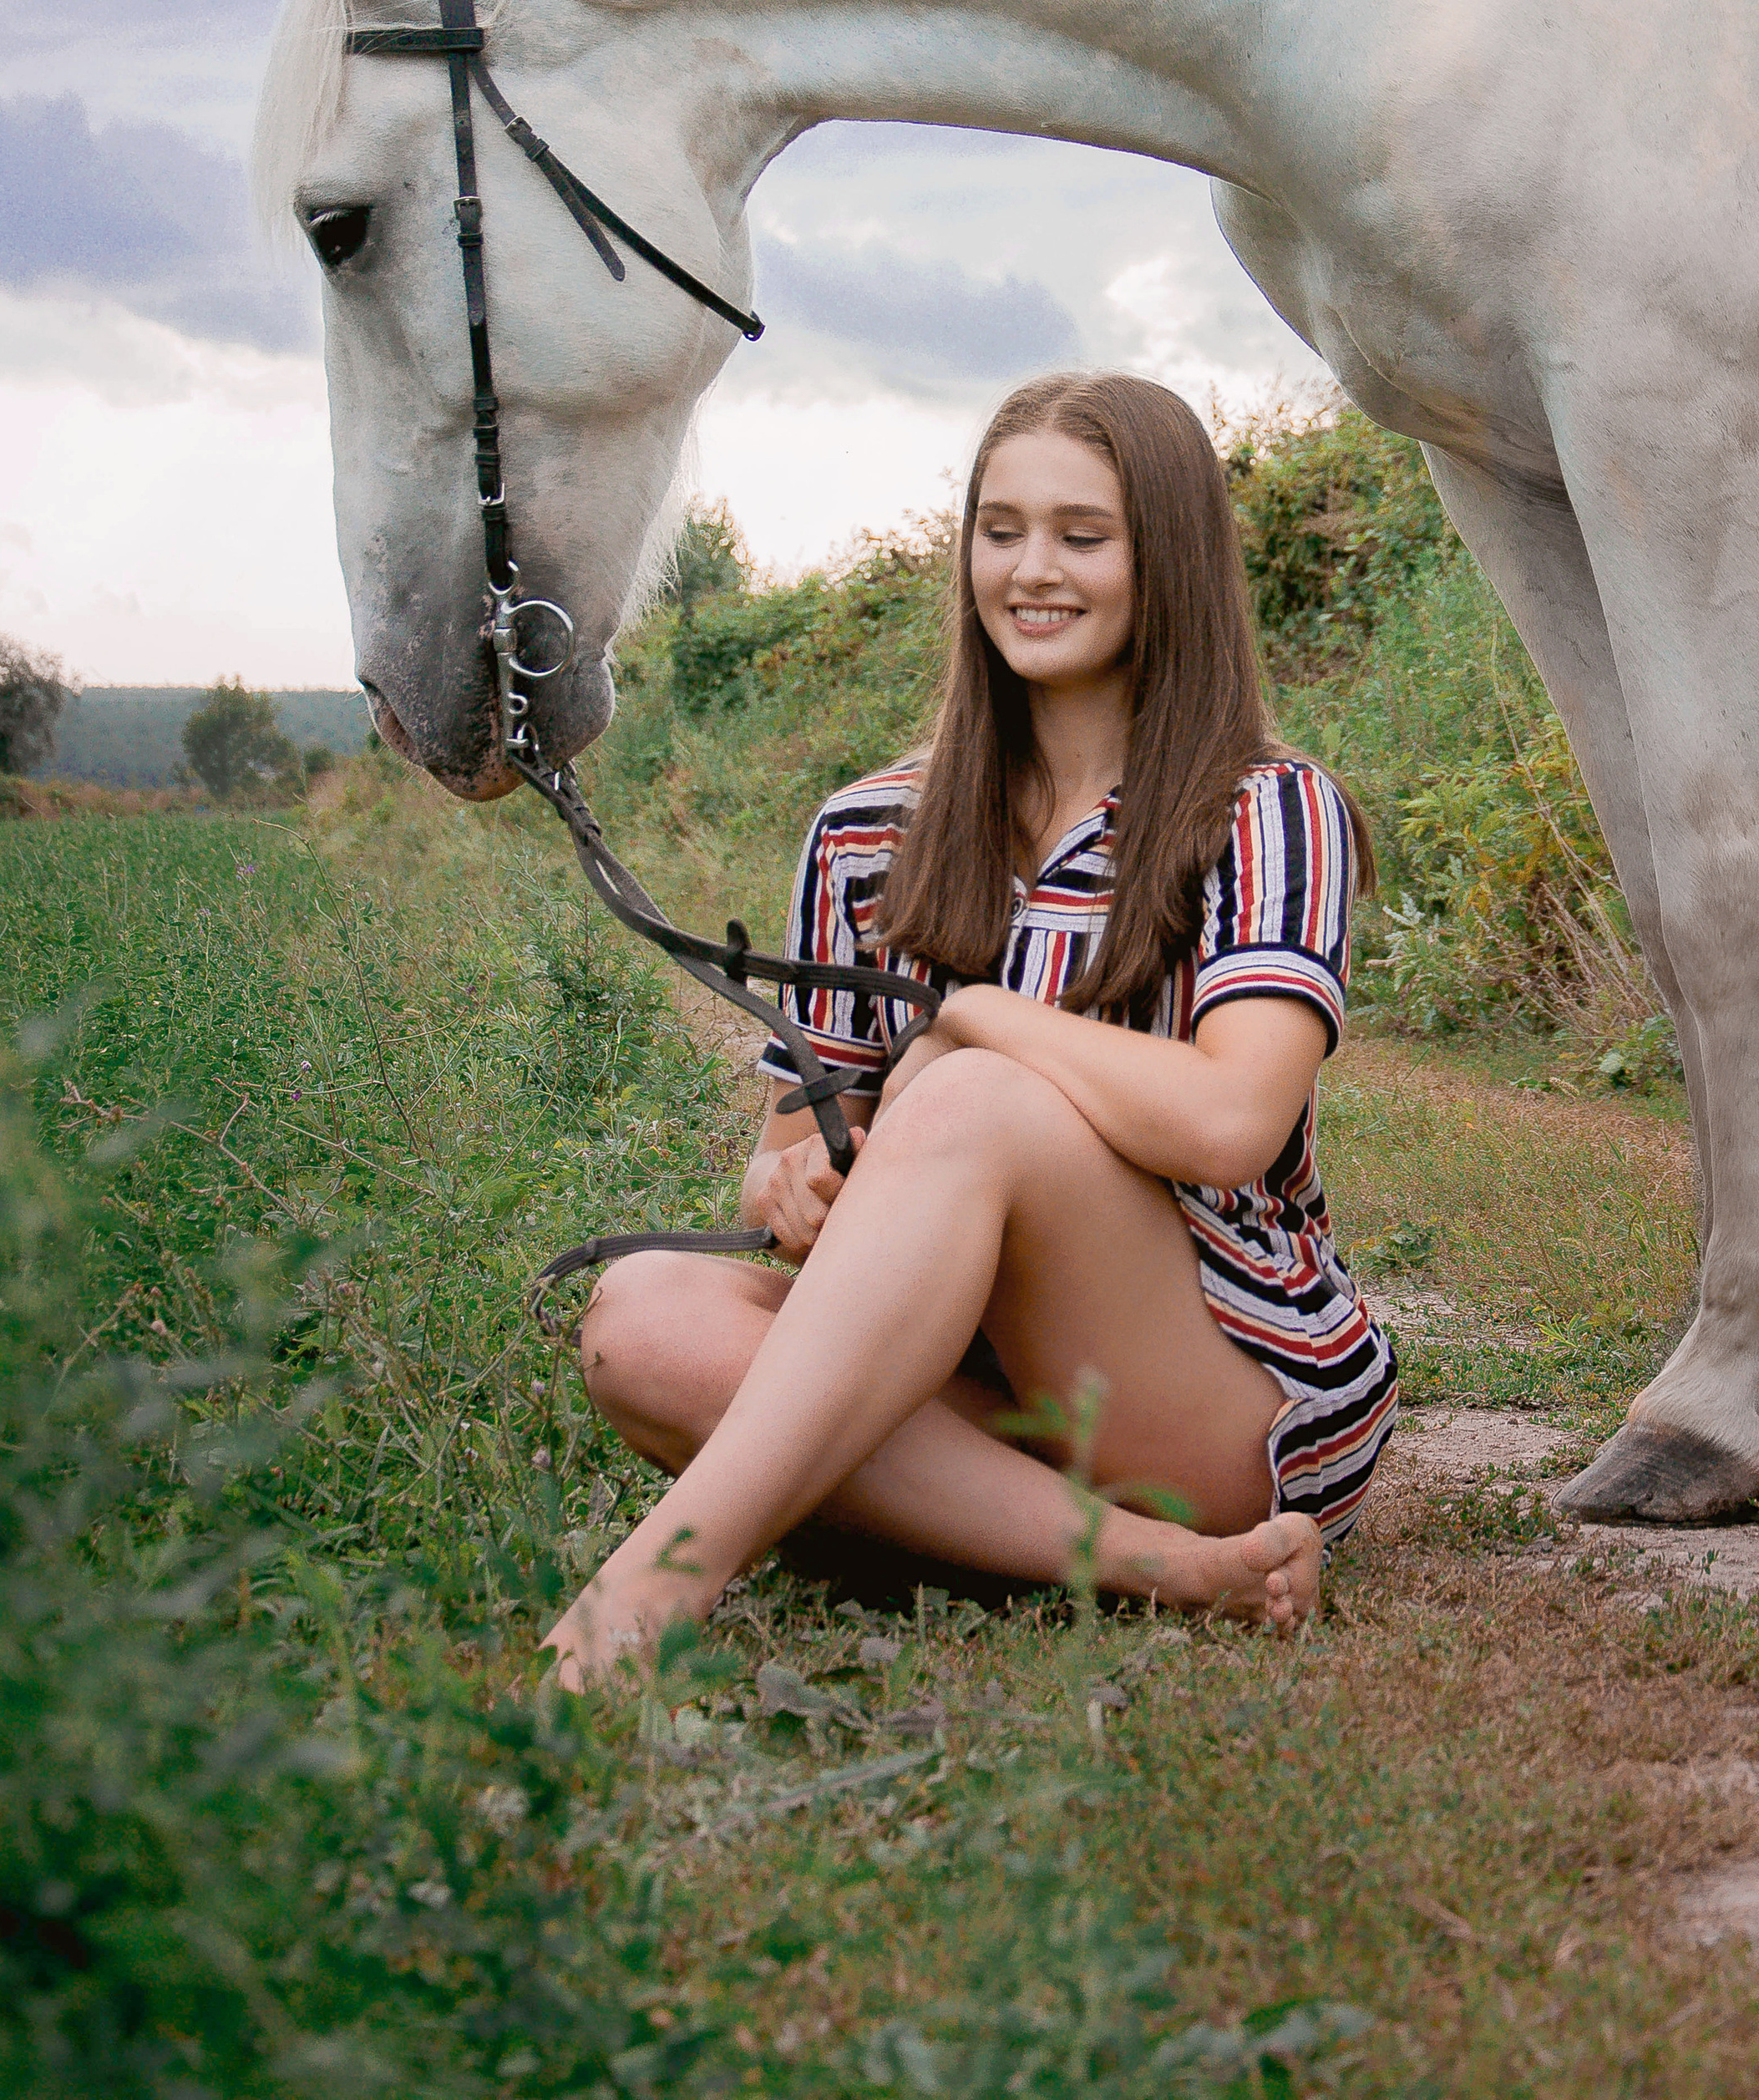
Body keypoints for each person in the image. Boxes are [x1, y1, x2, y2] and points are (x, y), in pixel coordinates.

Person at [545, 373, 1397, 1686]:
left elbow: (1233, 1124)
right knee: (641, 1320)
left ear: (1164, 556)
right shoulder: (864, 831)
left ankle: (641, 1600)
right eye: (1000, 531)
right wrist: (797, 1183)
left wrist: (978, 1024)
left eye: (1081, 534)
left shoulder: (1268, 810)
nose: (1031, 571)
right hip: (966, 1375)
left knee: (973, 1092)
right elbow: (781, 1147)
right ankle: (1167, 1571)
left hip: (1214, 1390)